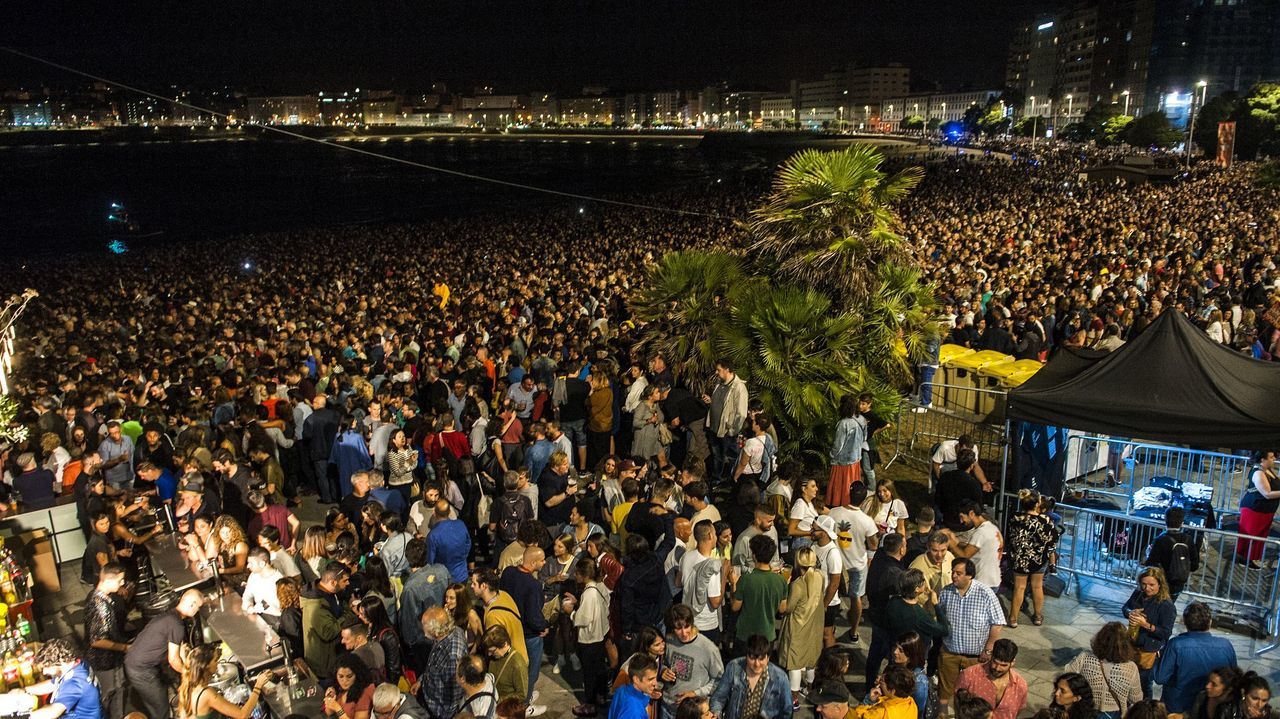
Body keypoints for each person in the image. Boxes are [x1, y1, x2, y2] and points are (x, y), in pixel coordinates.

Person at [936, 558, 1005, 710]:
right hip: (950, 653)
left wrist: (988, 649)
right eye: (953, 572)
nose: (954, 576)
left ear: (970, 576)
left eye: (959, 573)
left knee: (975, 692)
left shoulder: (985, 594)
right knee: (944, 690)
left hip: (976, 657)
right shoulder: (946, 592)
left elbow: (997, 623)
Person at [125, 588, 203, 719]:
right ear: (192, 604)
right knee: (160, 708)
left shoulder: (169, 616)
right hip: (140, 670)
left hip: (134, 662)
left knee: (157, 702)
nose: (198, 611)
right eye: (198, 607)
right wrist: (189, 675)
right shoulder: (177, 625)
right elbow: (173, 660)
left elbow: (180, 648)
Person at [1152, 602, 1238, 714]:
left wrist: (1157, 658)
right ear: (1210, 622)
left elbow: (1160, 678)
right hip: (1212, 708)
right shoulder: (1226, 645)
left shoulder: (1176, 645)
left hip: (1178, 708)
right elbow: (1234, 677)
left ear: (1185, 623)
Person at [828, 481, 879, 643]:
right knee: (856, 598)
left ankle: (827, 626)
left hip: (836, 561)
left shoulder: (834, 513)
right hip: (857, 564)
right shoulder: (867, 521)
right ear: (864, 500)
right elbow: (874, 544)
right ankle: (854, 631)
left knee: (830, 592)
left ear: (849, 494)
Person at [563, 557, 612, 717]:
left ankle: (589, 705)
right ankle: (601, 695)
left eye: (577, 573)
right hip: (600, 636)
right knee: (599, 669)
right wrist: (579, 603)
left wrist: (571, 613)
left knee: (589, 674)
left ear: (583, 575)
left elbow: (583, 619)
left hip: (589, 639)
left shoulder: (589, 593)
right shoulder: (600, 587)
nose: (575, 575)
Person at [1066, 622, 1143, 719]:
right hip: (1113, 714)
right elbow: (1136, 698)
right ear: (1125, 643)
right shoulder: (1131, 668)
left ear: (1099, 639)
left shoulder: (1085, 657)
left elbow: (1067, 676)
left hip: (1086, 709)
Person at [177, 643, 273, 719]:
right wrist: (258, 686)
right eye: (215, 660)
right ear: (206, 666)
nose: (218, 664)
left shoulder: (190, 686)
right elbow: (243, 715)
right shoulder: (207, 694)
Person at [1005, 489, 1057, 627]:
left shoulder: (1014, 518)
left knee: (1019, 588)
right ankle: (1038, 616)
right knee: (1037, 586)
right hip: (1039, 559)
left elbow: (1010, 537)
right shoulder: (1045, 520)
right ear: (1037, 504)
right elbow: (1052, 541)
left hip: (1020, 558)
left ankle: (1013, 618)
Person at [662, 604, 725, 719]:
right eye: (678, 628)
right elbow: (658, 664)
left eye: (687, 627)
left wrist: (696, 693)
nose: (684, 632)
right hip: (667, 708)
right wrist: (663, 671)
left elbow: (719, 680)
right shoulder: (668, 641)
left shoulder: (708, 648)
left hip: (692, 714)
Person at [1121, 567, 1176, 698]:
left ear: (1160, 584)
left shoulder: (1166, 605)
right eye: (1144, 584)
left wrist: (1145, 625)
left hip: (1148, 650)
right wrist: (1130, 613)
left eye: (1151, 585)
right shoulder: (1139, 593)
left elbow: (1165, 633)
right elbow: (1125, 607)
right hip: (1132, 643)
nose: (1147, 588)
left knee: (1144, 684)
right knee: (1128, 678)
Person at [709, 634, 793, 719]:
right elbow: (718, 698)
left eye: (761, 659)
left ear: (768, 658)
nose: (757, 664)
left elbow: (787, 710)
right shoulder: (733, 667)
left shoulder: (780, 678)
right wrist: (716, 715)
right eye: (752, 658)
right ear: (746, 656)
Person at [84, 562, 128, 719]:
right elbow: (96, 640)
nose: (122, 583)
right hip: (103, 663)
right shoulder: (98, 605)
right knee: (107, 698)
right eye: (120, 580)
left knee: (118, 693)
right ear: (108, 580)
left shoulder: (101, 598)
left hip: (112, 660)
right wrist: (124, 647)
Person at [778, 546, 823, 702]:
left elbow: (787, 608)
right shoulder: (819, 576)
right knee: (811, 658)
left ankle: (794, 699)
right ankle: (810, 689)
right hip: (815, 624)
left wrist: (784, 585)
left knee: (795, 663)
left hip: (798, 625)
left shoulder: (798, 584)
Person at [302, 562, 357, 677]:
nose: (348, 583)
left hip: (334, 656)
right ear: (333, 582)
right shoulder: (315, 606)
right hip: (324, 665)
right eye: (345, 580)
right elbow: (329, 631)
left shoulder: (330, 592)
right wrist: (350, 614)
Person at [731, 535, 788, 646]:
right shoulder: (781, 581)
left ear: (754, 556)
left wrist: (734, 584)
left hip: (746, 634)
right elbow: (782, 609)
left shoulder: (746, 579)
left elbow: (735, 607)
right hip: (768, 635)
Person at [954, 639, 1028, 719]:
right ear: (991, 656)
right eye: (995, 662)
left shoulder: (1020, 685)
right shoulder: (969, 675)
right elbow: (958, 704)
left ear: (1012, 662)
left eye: (1003, 665)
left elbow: (1018, 710)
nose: (997, 668)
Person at [30, 638, 101, 719]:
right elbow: (53, 684)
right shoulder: (78, 664)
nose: (44, 672)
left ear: (60, 661)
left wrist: (27, 716)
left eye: (46, 667)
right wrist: (26, 690)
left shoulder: (74, 682)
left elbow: (53, 711)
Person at [419, 606, 469, 719]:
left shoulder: (453, 656)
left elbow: (454, 697)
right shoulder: (443, 634)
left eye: (424, 624)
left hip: (438, 713)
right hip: (428, 698)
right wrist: (421, 680)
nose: (421, 627)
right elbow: (433, 665)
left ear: (435, 631)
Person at [1143, 507, 1200, 600]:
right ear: (1182, 522)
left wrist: (1148, 553)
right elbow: (1194, 565)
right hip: (1179, 583)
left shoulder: (1160, 540)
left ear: (1165, 520)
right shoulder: (1188, 539)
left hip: (1162, 582)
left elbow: (1151, 563)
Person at [943, 501, 1002, 591]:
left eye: (962, 517)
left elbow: (965, 556)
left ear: (971, 513)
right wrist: (957, 542)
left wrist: (951, 543)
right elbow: (977, 547)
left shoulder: (981, 532)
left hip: (983, 583)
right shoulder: (992, 528)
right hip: (993, 580)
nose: (961, 521)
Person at [1237, 451, 1279, 569]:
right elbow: (1267, 493)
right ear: (1262, 460)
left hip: (1263, 510)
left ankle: (1252, 558)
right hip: (1255, 509)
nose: (1274, 458)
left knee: (1259, 536)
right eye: (1271, 457)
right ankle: (1246, 560)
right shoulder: (1258, 473)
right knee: (1252, 536)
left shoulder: (1267, 470)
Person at [828, 394, 867, 509]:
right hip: (855, 459)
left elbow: (838, 445)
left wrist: (832, 455)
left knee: (841, 485)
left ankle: (838, 503)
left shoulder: (843, 423)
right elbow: (864, 438)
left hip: (842, 461)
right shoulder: (862, 419)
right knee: (851, 483)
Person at [482, 626, 533, 708]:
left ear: (505, 644)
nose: (489, 654)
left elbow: (522, 695)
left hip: (505, 707)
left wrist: (498, 700)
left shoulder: (517, 664)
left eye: (492, 651)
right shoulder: (493, 657)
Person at [426, 498, 472, 582]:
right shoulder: (460, 524)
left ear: (435, 513)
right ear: (450, 512)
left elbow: (430, 561)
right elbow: (468, 544)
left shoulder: (433, 535)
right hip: (462, 574)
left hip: (444, 578)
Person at [890, 633, 932, 719]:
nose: (895, 652)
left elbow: (917, 713)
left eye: (900, 650)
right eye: (895, 647)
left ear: (911, 654)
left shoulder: (919, 683)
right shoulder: (894, 666)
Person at [324, 653, 377, 719]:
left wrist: (338, 709)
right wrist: (330, 699)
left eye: (349, 676)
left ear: (357, 675)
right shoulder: (338, 687)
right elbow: (329, 713)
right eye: (341, 676)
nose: (345, 680)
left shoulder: (365, 691)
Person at [611, 654, 661, 719]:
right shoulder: (634, 713)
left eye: (655, 678)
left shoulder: (622, 689)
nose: (655, 683)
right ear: (636, 679)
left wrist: (649, 695)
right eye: (650, 679)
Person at [242, 546, 284, 622]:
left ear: (262, 563)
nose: (248, 566)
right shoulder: (253, 576)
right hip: (259, 617)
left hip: (276, 620)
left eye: (251, 563)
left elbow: (280, 606)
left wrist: (263, 606)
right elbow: (247, 595)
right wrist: (249, 606)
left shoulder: (279, 580)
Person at [458, 653, 499, 719]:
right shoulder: (486, 678)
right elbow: (491, 676)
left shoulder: (481, 712)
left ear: (462, 679)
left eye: (456, 669)